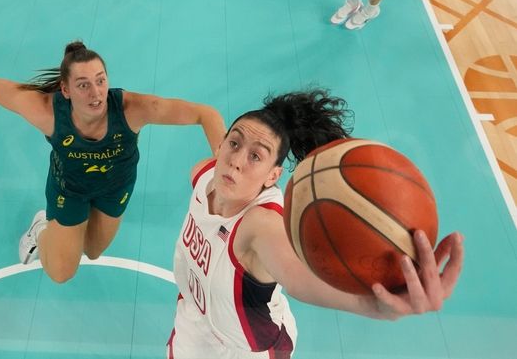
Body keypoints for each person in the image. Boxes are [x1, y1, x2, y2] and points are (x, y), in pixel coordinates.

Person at [168, 89, 464, 359]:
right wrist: (204, 114)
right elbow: (216, 129)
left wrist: (376, 306)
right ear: (220, 148)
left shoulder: (259, 224)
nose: (236, 161)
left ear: (273, 176)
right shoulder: (205, 174)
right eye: (234, 144)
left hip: (243, 351)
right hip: (195, 322)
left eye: (255, 156)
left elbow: (297, 278)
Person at [0, 41, 226, 284]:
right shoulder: (47, 113)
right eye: (83, 85)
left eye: (100, 81)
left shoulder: (133, 108)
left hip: (116, 186)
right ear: (65, 90)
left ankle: (63, 231)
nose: (96, 93)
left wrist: (223, 173)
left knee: (93, 251)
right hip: (70, 189)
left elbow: (206, 115)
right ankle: (40, 228)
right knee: (61, 273)